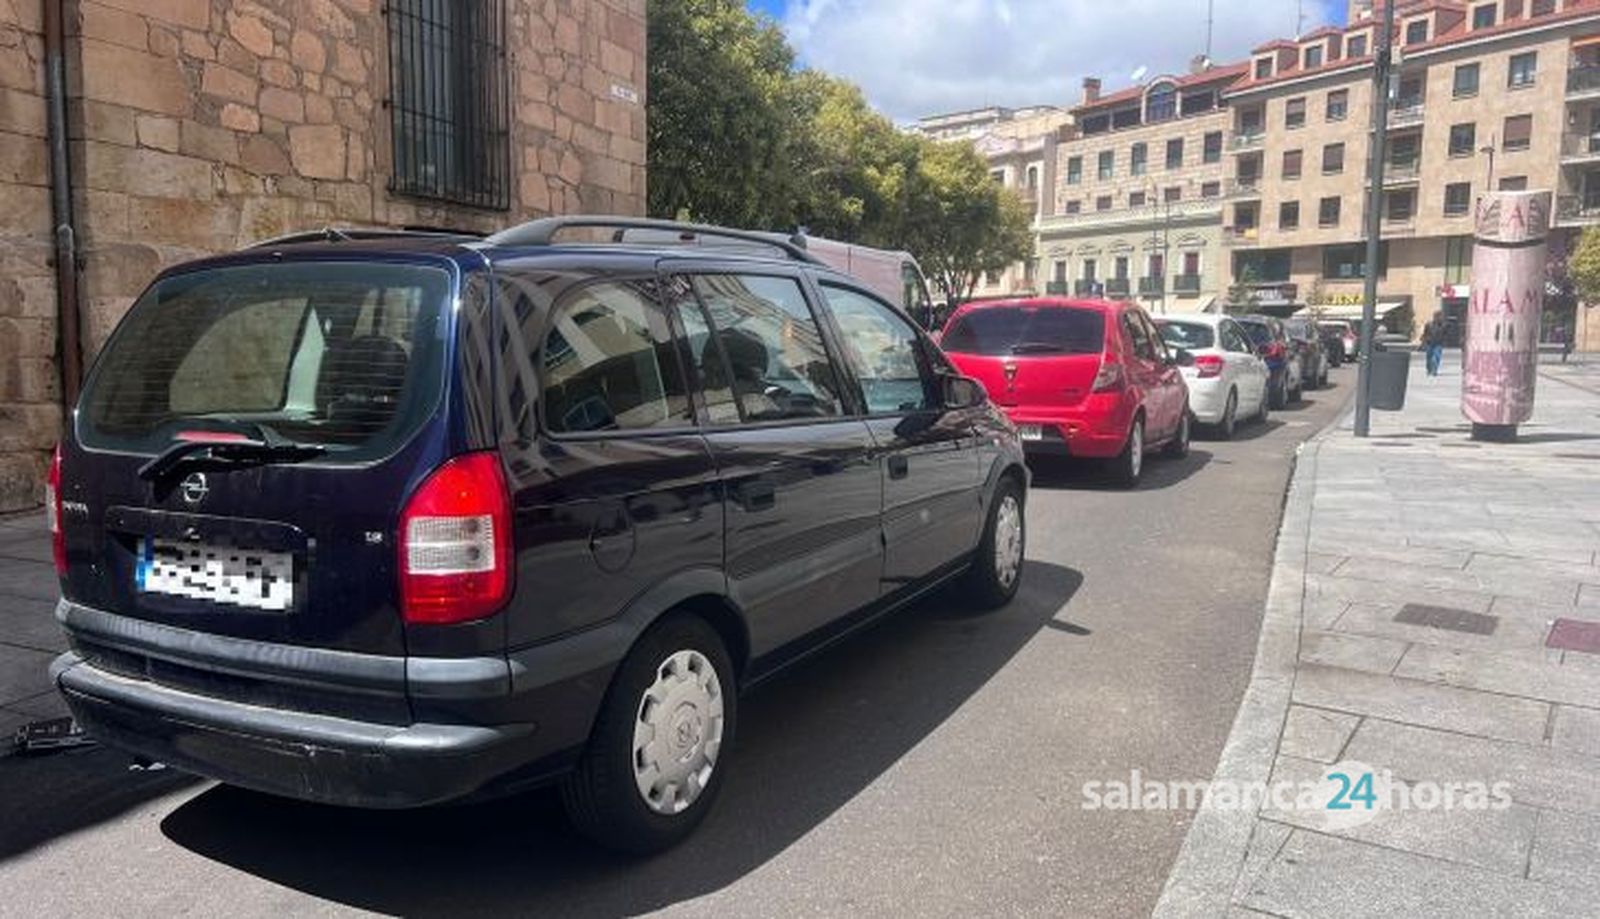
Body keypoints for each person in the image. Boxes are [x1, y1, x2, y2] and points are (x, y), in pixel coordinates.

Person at [1422, 311, 1445, 377]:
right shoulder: (1429, 324)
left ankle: (1434, 370)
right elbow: (1425, 333)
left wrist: (1443, 341)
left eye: (1440, 317)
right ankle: (1429, 369)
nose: (1440, 318)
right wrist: (1424, 341)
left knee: (1436, 357)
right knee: (1429, 357)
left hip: (1438, 344)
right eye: (1438, 317)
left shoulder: (1443, 325)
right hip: (1429, 343)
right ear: (1434, 317)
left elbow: (1445, 334)